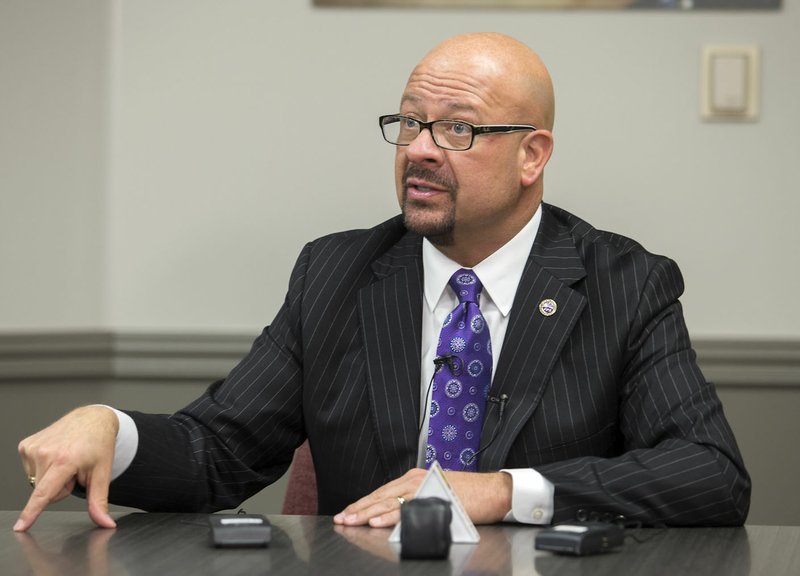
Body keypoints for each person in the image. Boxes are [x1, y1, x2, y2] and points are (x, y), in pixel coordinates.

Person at [15, 32, 750, 533]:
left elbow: (711, 474)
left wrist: (502, 492)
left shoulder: (625, 283)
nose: (420, 151)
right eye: (409, 123)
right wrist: (113, 431)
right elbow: (218, 452)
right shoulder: (337, 273)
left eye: (457, 130)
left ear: (533, 155)